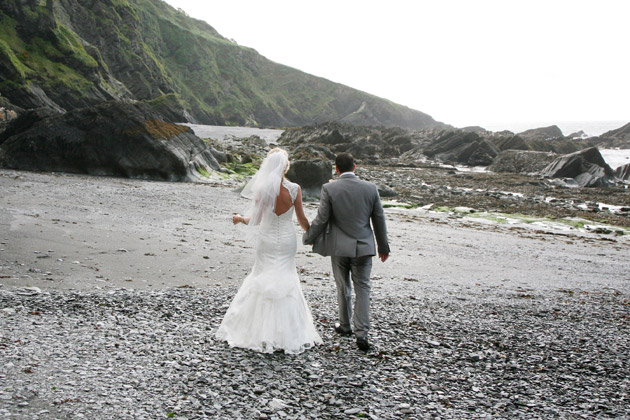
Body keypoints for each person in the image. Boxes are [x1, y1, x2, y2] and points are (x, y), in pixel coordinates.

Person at [215, 148, 322, 354]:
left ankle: (258, 331)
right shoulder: (294, 189)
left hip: (267, 240)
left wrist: (239, 218)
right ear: (286, 166)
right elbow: (301, 218)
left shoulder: (263, 189)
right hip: (287, 240)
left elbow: (255, 220)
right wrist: (312, 234)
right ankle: (289, 333)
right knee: (287, 278)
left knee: (262, 275)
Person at [303, 152, 390, 351]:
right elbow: (379, 219)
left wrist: (310, 238)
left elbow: (322, 218)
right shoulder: (371, 188)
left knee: (343, 287)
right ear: (355, 167)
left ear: (337, 168)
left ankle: (345, 326)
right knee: (363, 289)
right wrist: (383, 247)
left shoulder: (329, 188)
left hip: (339, 248)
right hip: (364, 247)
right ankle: (362, 334)